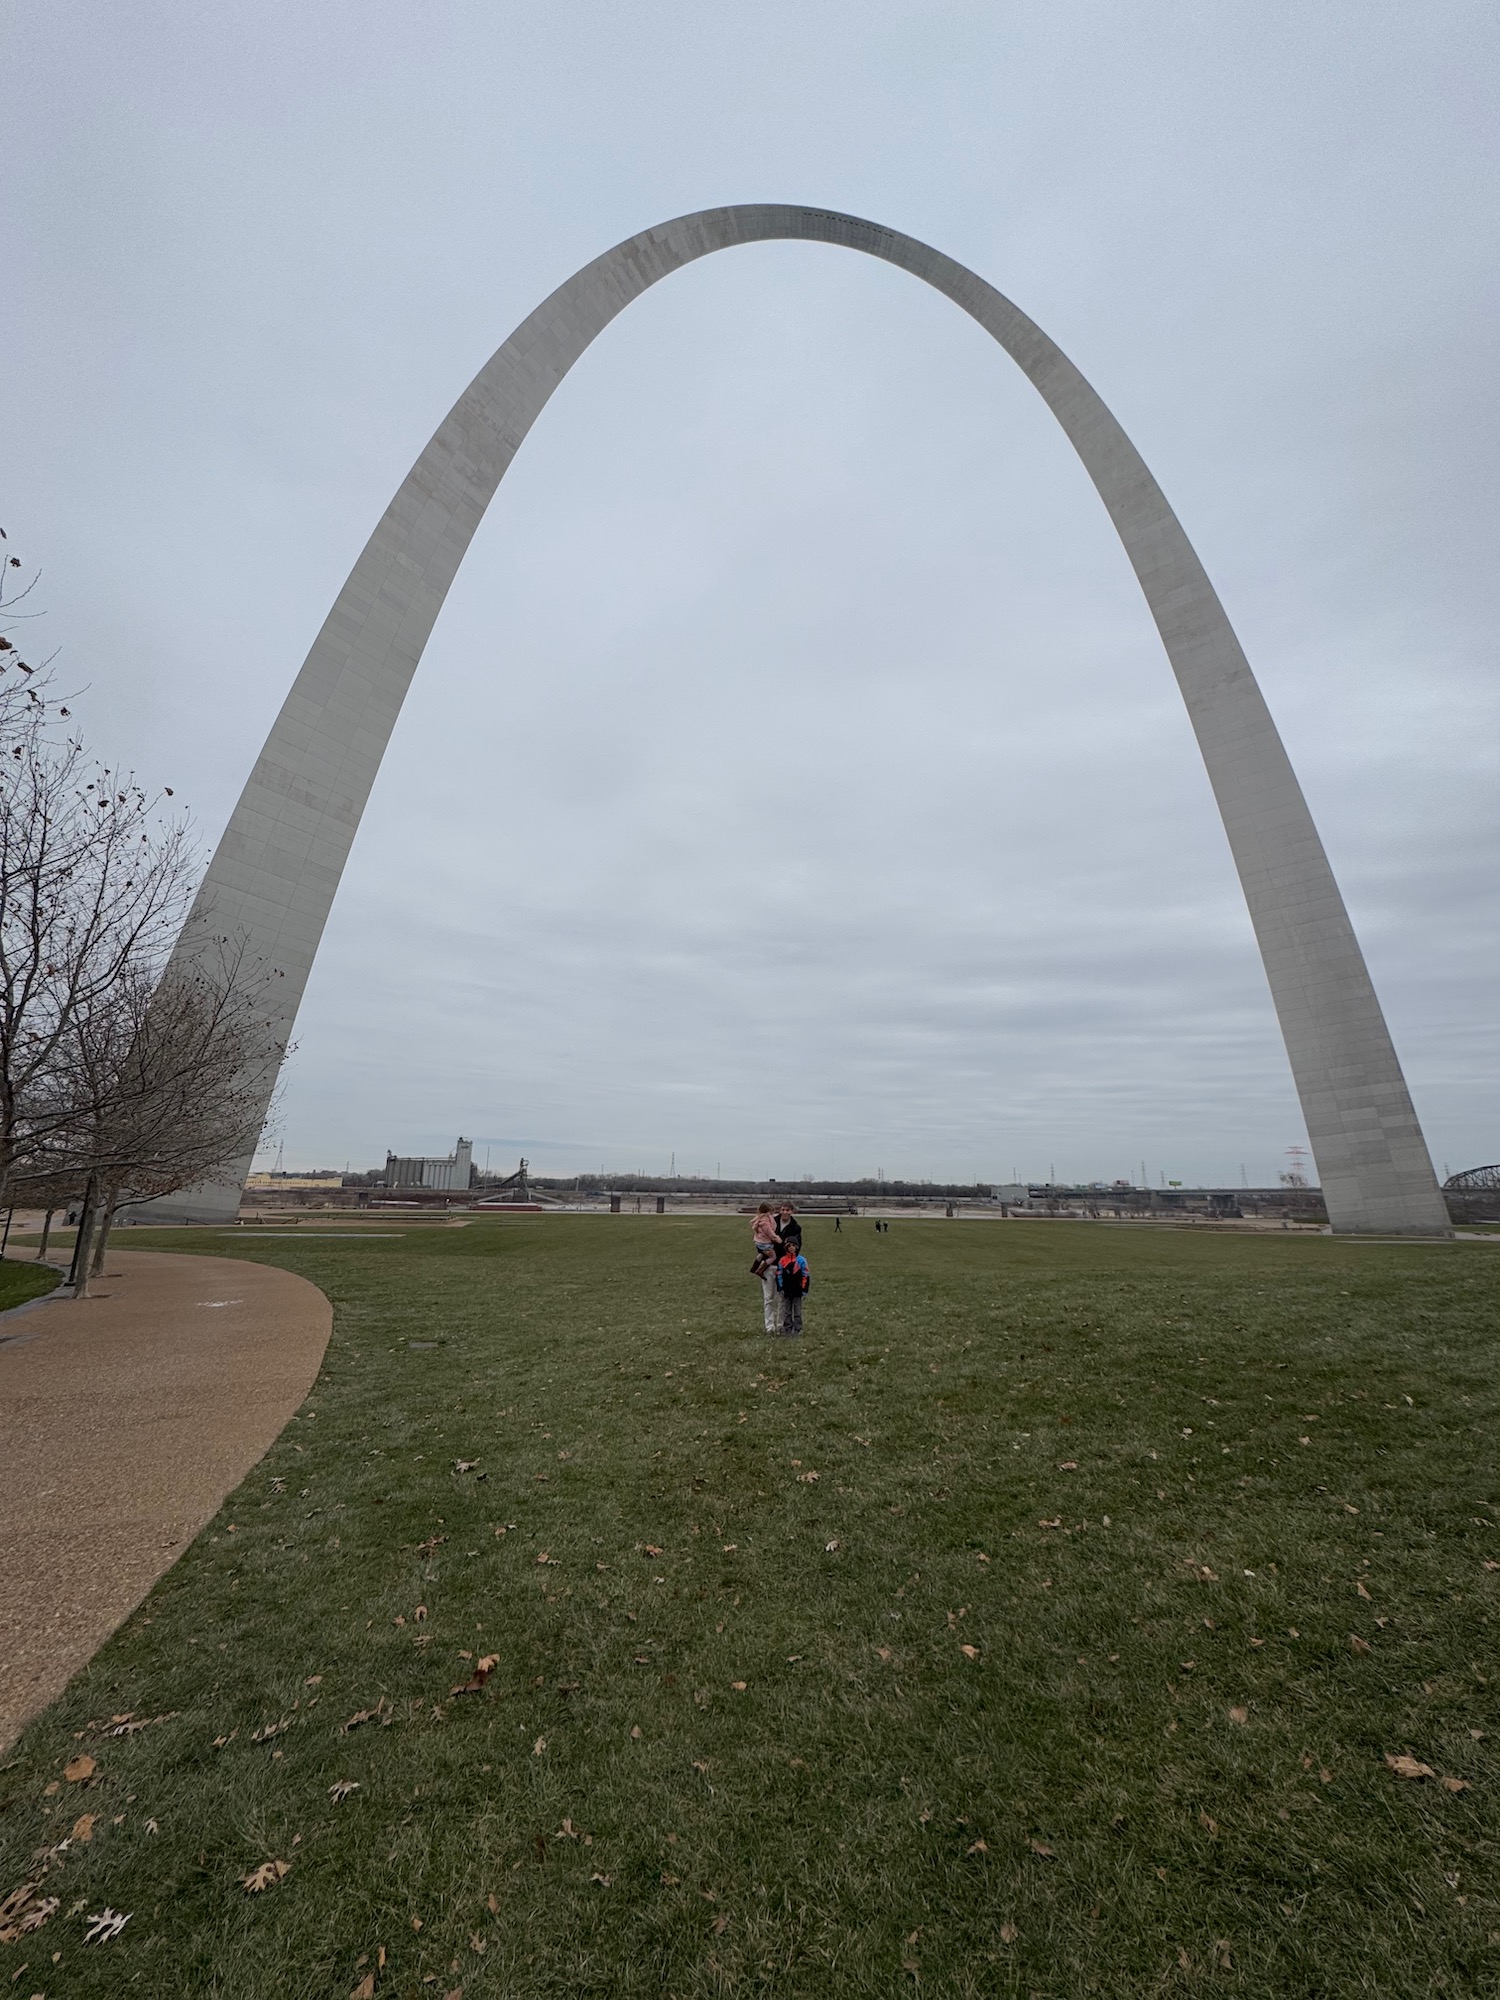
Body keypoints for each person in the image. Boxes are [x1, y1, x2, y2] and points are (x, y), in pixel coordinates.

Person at [751, 1203, 780, 1333]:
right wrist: (778, 1239)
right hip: (765, 1243)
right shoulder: (765, 1222)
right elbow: (770, 1233)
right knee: (772, 1256)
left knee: (761, 1254)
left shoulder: (758, 1219)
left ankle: (755, 1265)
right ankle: (760, 1269)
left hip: (759, 1241)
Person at [776, 1239, 810, 1338]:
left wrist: (804, 1290)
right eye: (789, 1246)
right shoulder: (782, 1260)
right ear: (786, 1247)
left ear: (797, 1247)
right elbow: (779, 1274)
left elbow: (806, 1275)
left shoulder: (801, 1260)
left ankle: (798, 1329)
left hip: (797, 1290)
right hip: (786, 1290)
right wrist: (780, 1288)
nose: (791, 1248)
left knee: (797, 1311)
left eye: (793, 1245)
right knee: (787, 1311)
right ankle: (788, 1329)